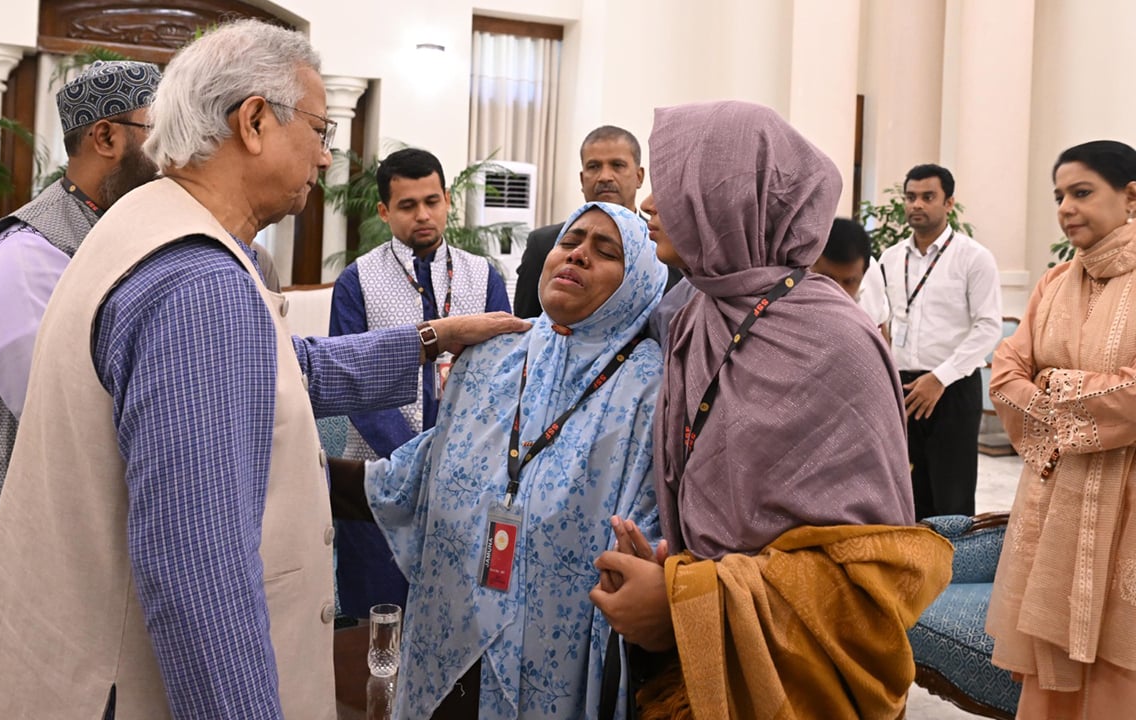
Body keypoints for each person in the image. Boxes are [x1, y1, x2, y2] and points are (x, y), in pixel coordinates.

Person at [0, 20, 527, 719]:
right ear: (253, 121)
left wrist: (428, 339)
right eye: (319, 130)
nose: (324, 159)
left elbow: (276, 368)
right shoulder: (198, 283)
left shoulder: (152, 227)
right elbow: (200, 580)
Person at [590, 101, 952, 719]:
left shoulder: (835, 340)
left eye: (674, 184)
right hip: (698, 661)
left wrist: (682, 599)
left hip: (800, 680)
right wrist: (673, 560)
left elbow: (869, 582)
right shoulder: (697, 315)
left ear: (730, 199)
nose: (648, 203)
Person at [338, 201, 667, 719]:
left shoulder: (651, 386)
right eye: (570, 241)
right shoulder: (494, 352)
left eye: (606, 252)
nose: (578, 255)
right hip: (448, 635)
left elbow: (645, 529)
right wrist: (290, 467)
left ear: (639, 284)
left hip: (553, 653)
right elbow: (419, 475)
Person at [0, 59, 161, 585]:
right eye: (160, 131)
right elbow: (64, 417)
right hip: (33, 566)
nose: (176, 152)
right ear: (106, 136)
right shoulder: (24, 257)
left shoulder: (122, 231)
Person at [987, 140, 1136, 717]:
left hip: (1126, 499)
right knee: (1052, 654)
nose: (1066, 208)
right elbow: (1005, 373)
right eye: (1058, 196)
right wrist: (1069, 392)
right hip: (1055, 495)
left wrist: (1053, 385)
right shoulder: (1052, 284)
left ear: (1129, 196)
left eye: (1081, 192)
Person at [329, 147, 510, 617]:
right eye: (408, 206)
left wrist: (452, 462)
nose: (423, 215)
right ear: (384, 211)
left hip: (464, 484)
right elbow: (354, 386)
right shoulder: (358, 281)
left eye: (432, 201)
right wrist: (415, 463)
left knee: (454, 619)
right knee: (377, 620)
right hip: (378, 477)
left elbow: (503, 376)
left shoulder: (482, 276)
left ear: (448, 200)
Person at [879, 164, 1002, 520]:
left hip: (951, 386)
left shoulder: (973, 257)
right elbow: (884, 320)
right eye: (911, 197)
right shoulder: (890, 258)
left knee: (952, 493)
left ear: (949, 203)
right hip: (902, 386)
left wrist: (940, 378)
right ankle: (913, 569)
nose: (917, 204)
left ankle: (952, 573)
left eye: (928, 197)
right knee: (906, 492)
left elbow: (988, 326)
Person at [514, 125, 680, 318]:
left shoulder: (666, 246)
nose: (605, 177)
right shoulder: (543, 245)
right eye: (594, 167)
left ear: (639, 176)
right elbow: (525, 325)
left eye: (617, 165)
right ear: (582, 179)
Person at [812, 217, 889, 329]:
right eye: (828, 279)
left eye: (849, 282)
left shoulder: (873, 274)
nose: (837, 291)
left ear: (865, 271)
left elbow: (880, 324)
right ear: (811, 266)